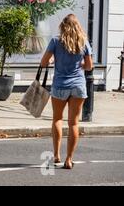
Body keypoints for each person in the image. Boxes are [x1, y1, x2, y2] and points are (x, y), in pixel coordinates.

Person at [40, 14, 93, 169]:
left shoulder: (56, 41)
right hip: (78, 86)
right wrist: (79, 65)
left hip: (60, 85)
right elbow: (89, 66)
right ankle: (69, 159)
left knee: (57, 119)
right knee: (74, 124)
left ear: (63, 26)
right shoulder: (83, 42)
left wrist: (54, 60)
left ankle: (56, 155)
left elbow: (43, 62)